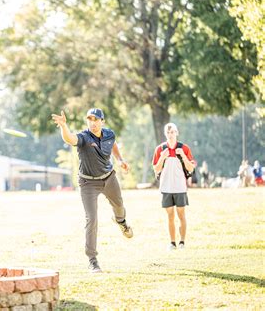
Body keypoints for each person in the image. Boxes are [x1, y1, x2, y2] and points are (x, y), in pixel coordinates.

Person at [51, 108, 133, 273]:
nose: (93, 123)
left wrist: (120, 160)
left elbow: (113, 144)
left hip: (109, 178)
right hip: (88, 183)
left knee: (119, 206)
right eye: (90, 119)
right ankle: (93, 260)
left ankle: (121, 222)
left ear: (102, 121)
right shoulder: (84, 137)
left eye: (96, 120)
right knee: (92, 219)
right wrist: (63, 127)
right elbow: (70, 139)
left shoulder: (109, 134)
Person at [152, 123, 196, 251]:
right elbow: (156, 169)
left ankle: (182, 242)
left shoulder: (184, 148)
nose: (171, 134)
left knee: (181, 214)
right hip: (165, 187)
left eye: (173, 132)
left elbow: (190, 168)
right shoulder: (160, 149)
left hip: (180, 187)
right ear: (165, 134)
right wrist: (162, 157)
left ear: (177, 132)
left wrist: (182, 155)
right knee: (170, 215)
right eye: (168, 132)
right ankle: (172, 243)